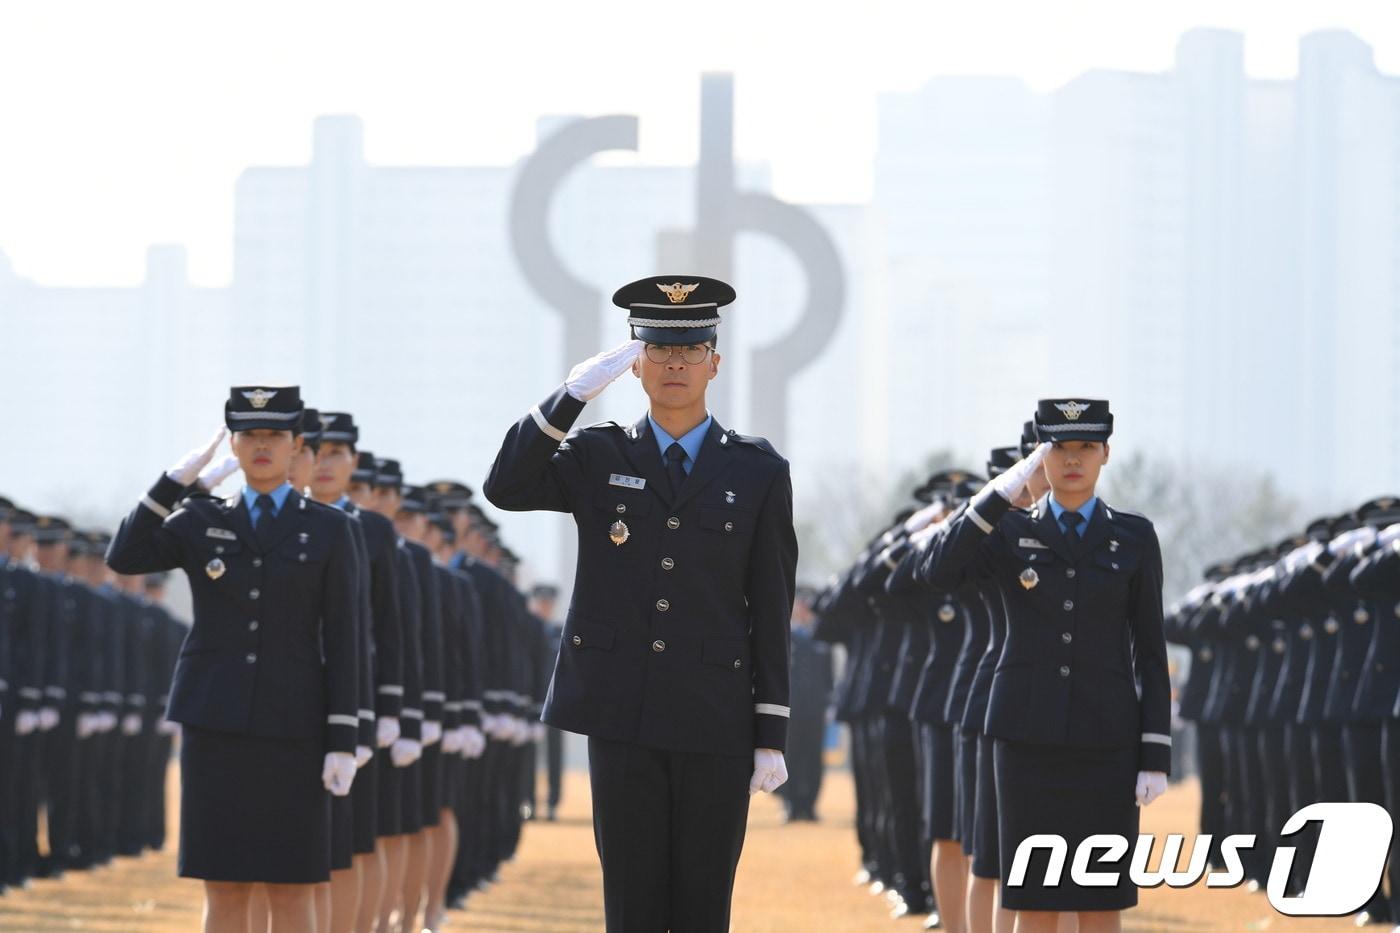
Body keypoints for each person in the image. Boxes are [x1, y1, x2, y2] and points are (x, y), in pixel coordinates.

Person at [484, 274, 798, 932]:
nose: (674, 364)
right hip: (621, 710)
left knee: (703, 907)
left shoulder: (757, 470)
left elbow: (771, 605)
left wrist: (770, 731)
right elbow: (506, 486)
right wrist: (570, 397)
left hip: (715, 717)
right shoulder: (598, 454)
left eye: (690, 350)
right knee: (631, 906)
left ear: (714, 362)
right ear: (634, 364)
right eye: (658, 348)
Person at [105, 386, 361, 933]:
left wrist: (343, 738)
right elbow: (125, 556)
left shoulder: (330, 528)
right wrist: (175, 485)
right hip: (214, 723)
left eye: (274, 436)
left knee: (290, 888)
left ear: (296, 446)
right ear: (234, 447)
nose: (262, 446)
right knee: (223, 886)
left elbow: (345, 637)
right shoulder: (200, 519)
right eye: (250, 436)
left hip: (295, 728)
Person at [914, 398, 1171, 932]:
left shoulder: (1133, 536)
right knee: (1035, 899)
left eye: (1086, 447)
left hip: (1108, 741)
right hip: (1025, 740)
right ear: (1038, 456)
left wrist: (1155, 753)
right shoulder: (1008, 533)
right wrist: (996, 496)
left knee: (1099, 901)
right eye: (1058, 448)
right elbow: (937, 570)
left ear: (1106, 454)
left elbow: (1150, 651)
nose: (1072, 459)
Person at [782, 585, 833, 823]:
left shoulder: (821, 636)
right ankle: (791, 803)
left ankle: (809, 804)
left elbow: (828, 675)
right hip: (790, 706)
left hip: (815, 707)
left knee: (813, 756)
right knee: (791, 754)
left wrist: (829, 702)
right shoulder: (786, 634)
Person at [527, 583, 565, 821]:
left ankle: (552, 802)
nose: (545, 607)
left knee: (554, 754)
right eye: (542, 602)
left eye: (548, 603)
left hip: (555, 703)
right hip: (530, 703)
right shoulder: (527, 629)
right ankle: (528, 802)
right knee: (528, 757)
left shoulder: (560, 632)